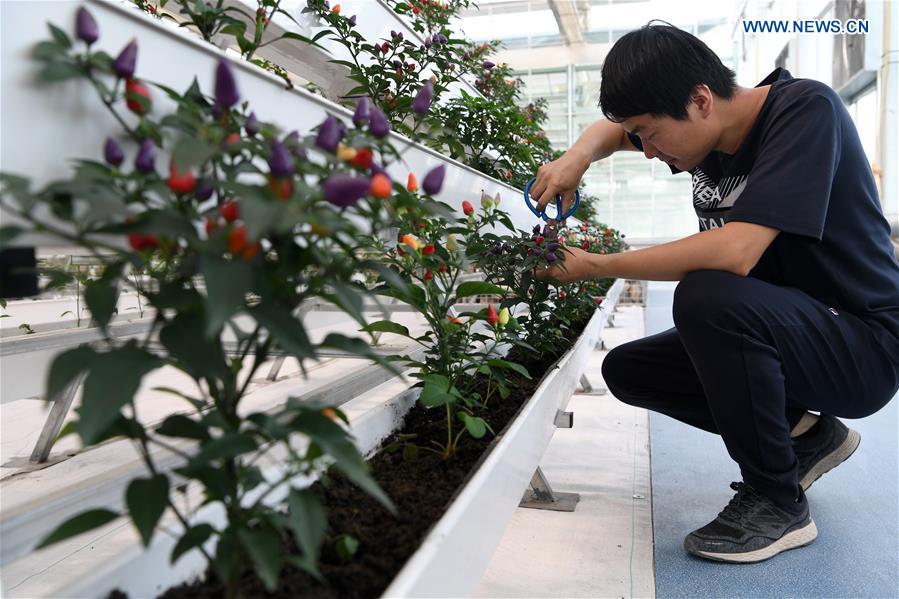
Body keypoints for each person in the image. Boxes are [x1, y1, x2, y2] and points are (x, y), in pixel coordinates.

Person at [532, 22, 899, 563]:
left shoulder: (805, 113)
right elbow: (613, 132)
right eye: (641, 136)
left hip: (862, 343)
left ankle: (777, 502)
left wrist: (596, 266)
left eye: (651, 134)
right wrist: (576, 158)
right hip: (794, 331)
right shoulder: (706, 133)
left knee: (708, 296)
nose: (649, 152)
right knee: (630, 371)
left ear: (701, 100)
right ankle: (807, 438)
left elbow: (737, 252)